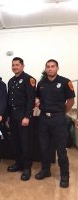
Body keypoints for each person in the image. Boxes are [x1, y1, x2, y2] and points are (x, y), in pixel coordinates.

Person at [35, 59, 75, 188]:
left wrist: (60, 113)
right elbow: (38, 98)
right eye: (48, 67)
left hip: (58, 120)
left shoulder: (65, 82)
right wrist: (38, 103)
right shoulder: (41, 83)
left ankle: (64, 175)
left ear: (57, 68)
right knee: (44, 147)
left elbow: (70, 102)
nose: (50, 68)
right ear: (45, 69)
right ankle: (45, 170)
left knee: (61, 149)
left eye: (53, 66)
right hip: (43, 119)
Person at [7, 57, 36, 181]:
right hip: (13, 115)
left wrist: (27, 116)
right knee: (15, 141)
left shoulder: (29, 79)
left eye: (17, 65)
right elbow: (9, 100)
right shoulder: (11, 81)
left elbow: (31, 99)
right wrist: (8, 116)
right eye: (13, 65)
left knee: (25, 143)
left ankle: (27, 168)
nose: (15, 67)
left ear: (22, 66)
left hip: (23, 115)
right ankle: (18, 163)